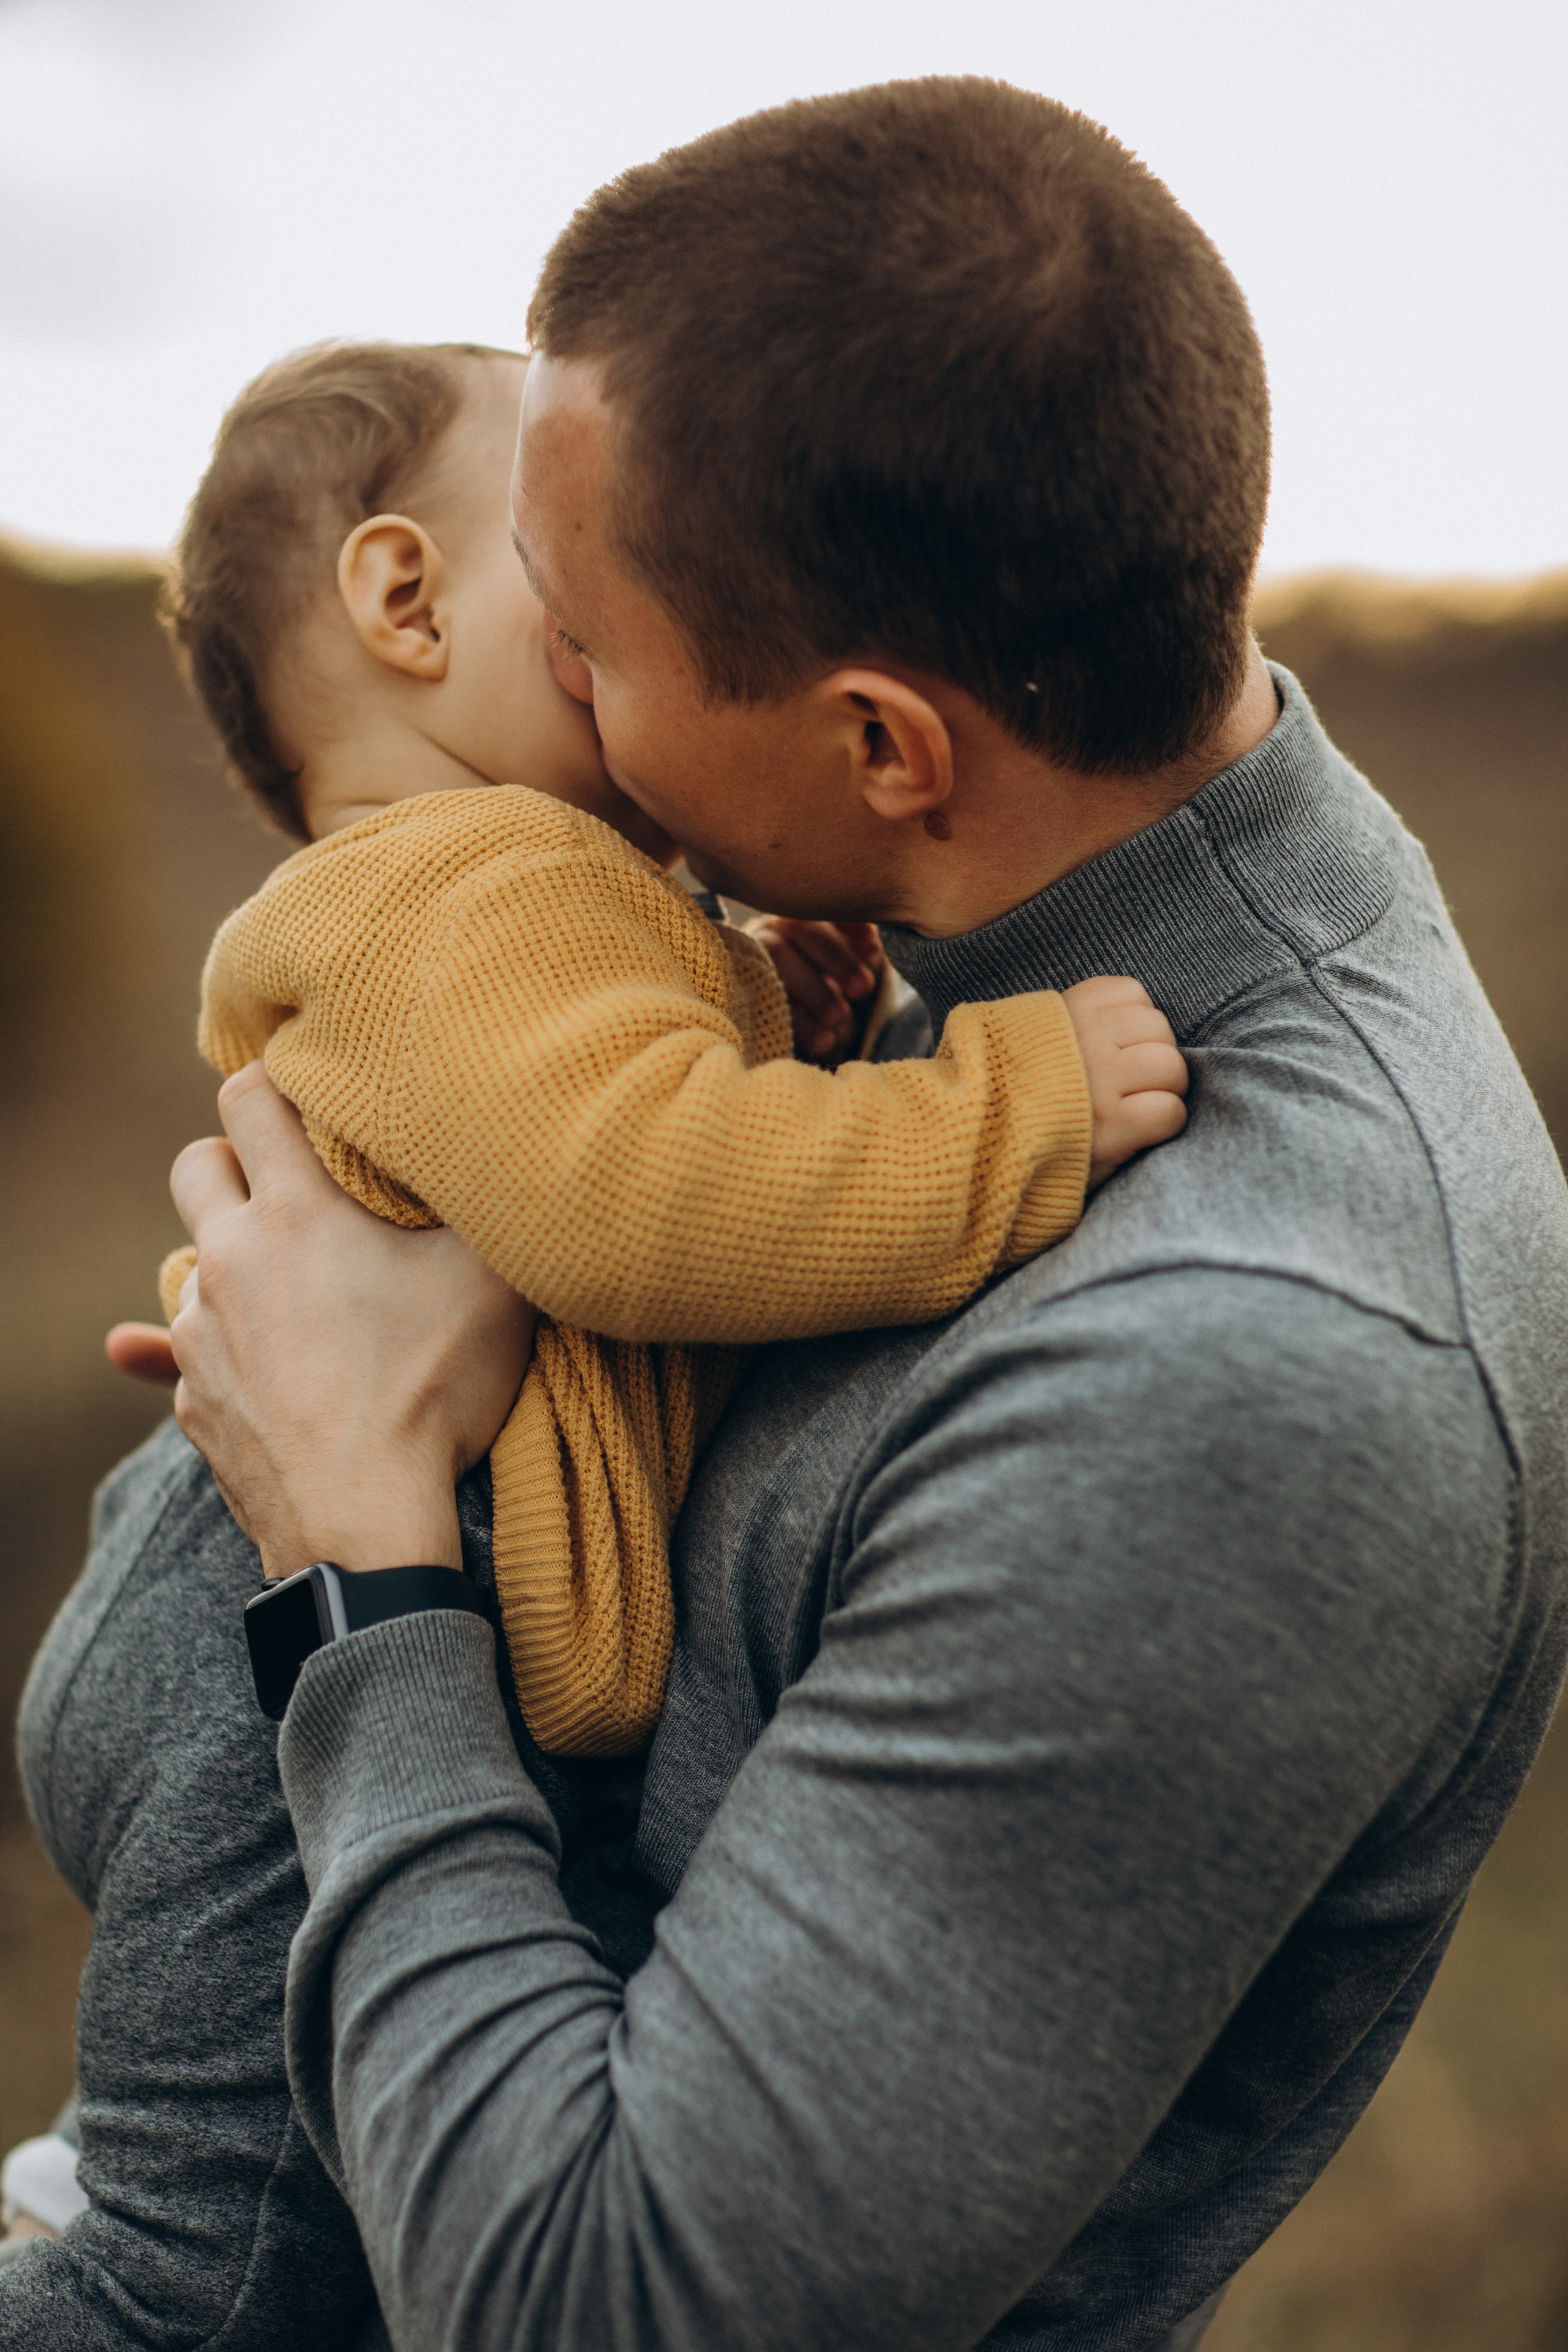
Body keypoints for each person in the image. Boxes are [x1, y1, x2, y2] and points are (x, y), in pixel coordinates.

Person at [26, 70, 1568, 2352]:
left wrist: (355, 1565)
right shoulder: (988, 908)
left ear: (882, 745)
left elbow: (605, 2311)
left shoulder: (1252, 1376)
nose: (557, 691)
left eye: (594, 640)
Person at [1, 326, 1181, 2337]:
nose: (654, 588)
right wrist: (1013, 1106)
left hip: (216, 1581)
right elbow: (640, 1198)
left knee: (209, 2173)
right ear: (406, 594)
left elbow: (572, 1106)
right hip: (267, 1647)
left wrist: (760, 1000)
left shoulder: (481, 900)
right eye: (579, 547)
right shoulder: (470, 889)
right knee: (205, 2283)